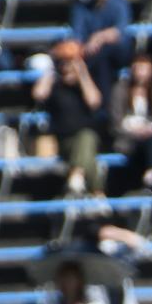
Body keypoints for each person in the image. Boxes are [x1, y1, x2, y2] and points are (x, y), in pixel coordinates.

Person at [33, 40, 104, 196]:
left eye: (70, 62)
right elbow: (39, 94)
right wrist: (50, 70)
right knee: (90, 155)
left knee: (87, 138)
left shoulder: (84, 85)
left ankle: (76, 177)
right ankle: (98, 194)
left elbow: (94, 101)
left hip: (86, 137)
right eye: (64, 63)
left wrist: (82, 73)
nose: (67, 67)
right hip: (64, 140)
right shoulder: (56, 86)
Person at [108, 54, 152, 194]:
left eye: (146, 69)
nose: (142, 73)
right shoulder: (120, 90)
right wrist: (135, 130)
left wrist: (150, 128)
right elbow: (115, 123)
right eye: (139, 68)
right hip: (128, 139)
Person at [70, 0, 132, 98]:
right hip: (93, 54)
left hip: (117, 52)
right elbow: (78, 36)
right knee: (101, 62)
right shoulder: (81, 8)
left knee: (104, 53)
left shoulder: (119, 4)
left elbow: (119, 31)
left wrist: (98, 38)